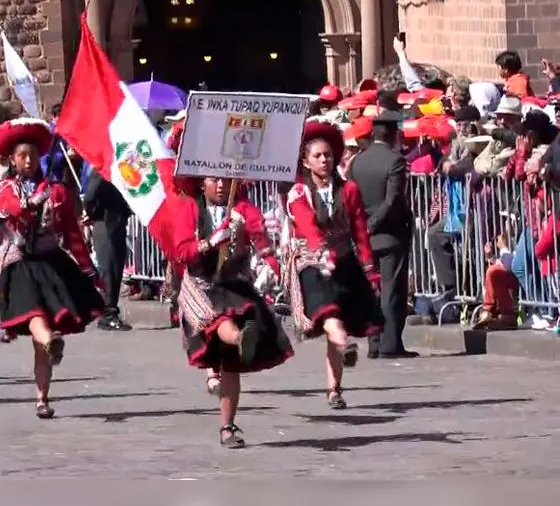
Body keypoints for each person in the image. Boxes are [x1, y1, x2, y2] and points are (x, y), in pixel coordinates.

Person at [0, 117, 105, 418]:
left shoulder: (57, 191)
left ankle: (42, 397)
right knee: (35, 315)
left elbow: (72, 234)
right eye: (21, 156)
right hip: (20, 263)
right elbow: (11, 209)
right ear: (13, 161)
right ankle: (50, 341)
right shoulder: (4, 188)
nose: (28, 161)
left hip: (51, 262)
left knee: (45, 334)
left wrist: (89, 269)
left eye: (32, 155)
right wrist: (28, 205)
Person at [171, 177, 292, 447]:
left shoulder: (243, 210)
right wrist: (208, 243)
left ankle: (227, 426)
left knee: (230, 366)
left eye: (227, 180)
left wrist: (273, 265)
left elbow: (260, 240)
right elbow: (181, 250)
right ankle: (239, 338)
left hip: (234, 285)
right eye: (214, 180)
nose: (222, 186)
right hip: (201, 286)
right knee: (219, 320)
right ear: (202, 183)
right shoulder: (189, 208)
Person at [284, 121, 385, 409]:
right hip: (311, 264)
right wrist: (320, 251)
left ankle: (334, 388)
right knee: (330, 315)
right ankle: (346, 343)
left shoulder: (349, 190)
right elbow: (306, 224)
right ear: (306, 161)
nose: (324, 160)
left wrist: (369, 268)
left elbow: (360, 230)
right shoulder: (299, 194)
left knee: (339, 318)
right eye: (317, 156)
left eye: (328, 155)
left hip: (343, 260)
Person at [346, 102, 416, 359]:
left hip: (364, 237)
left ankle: (374, 344)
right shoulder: (395, 160)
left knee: (371, 291)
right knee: (391, 289)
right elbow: (393, 199)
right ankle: (390, 344)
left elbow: (349, 200)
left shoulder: (357, 162)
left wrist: (361, 227)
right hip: (389, 233)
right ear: (392, 134)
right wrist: (374, 224)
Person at [83, 166, 133, 331]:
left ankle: (110, 311)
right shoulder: (102, 168)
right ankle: (108, 313)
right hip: (106, 222)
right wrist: (91, 214)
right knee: (109, 269)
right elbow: (90, 196)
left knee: (116, 268)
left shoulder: (118, 167)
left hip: (117, 221)